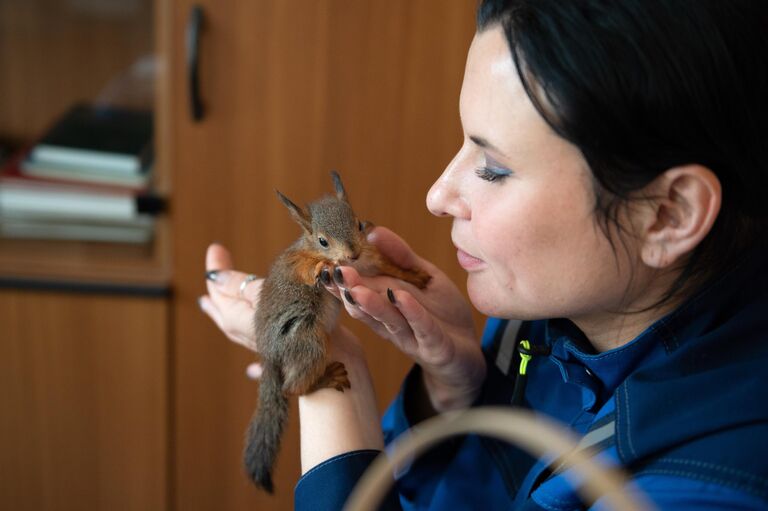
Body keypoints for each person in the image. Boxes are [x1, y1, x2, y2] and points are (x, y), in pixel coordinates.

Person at [199, 0, 768, 509]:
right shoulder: (545, 316)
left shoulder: (704, 488)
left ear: (669, 214)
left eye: (493, 169)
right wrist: (454, 393)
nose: (438, 196)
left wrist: (328, 382)